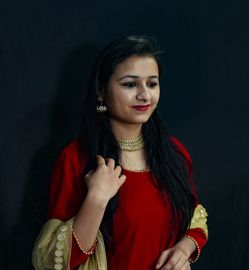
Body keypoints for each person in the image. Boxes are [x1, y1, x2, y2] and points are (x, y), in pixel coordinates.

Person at [32, 35, 208, 270]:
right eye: (130, 84)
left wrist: (185, 248)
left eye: (152, 83)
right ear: (101, 91)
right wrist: (96, 199)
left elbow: (196, 219)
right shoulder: (76, 159)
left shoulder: (174, 153)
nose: (145, 95)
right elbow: (50, 263)